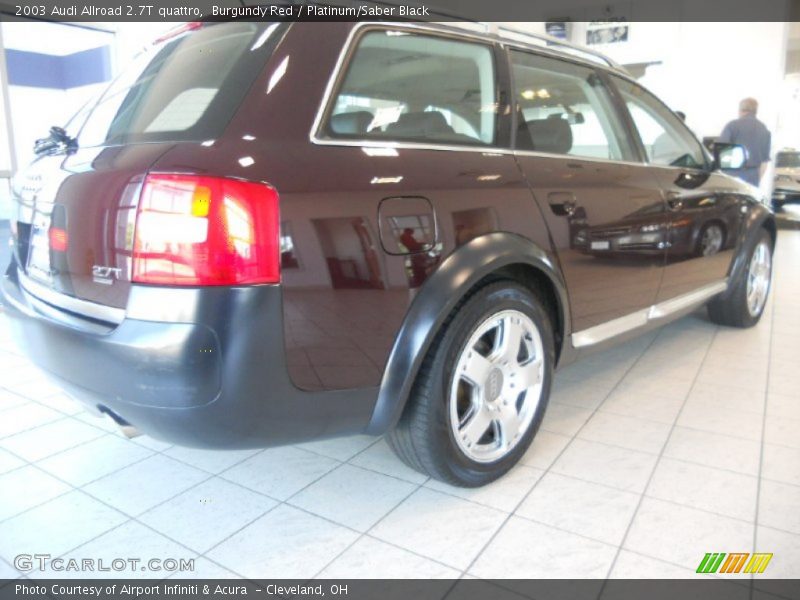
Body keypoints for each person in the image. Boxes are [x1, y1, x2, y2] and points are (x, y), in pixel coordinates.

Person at [718, 98, 771, 186]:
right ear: (755, 111)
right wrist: (757, 180)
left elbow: (722, 154)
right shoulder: (764, 129)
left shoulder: (732, 126)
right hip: (753, 176)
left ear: (741, 110)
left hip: (732, 175)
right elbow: (764, 163)